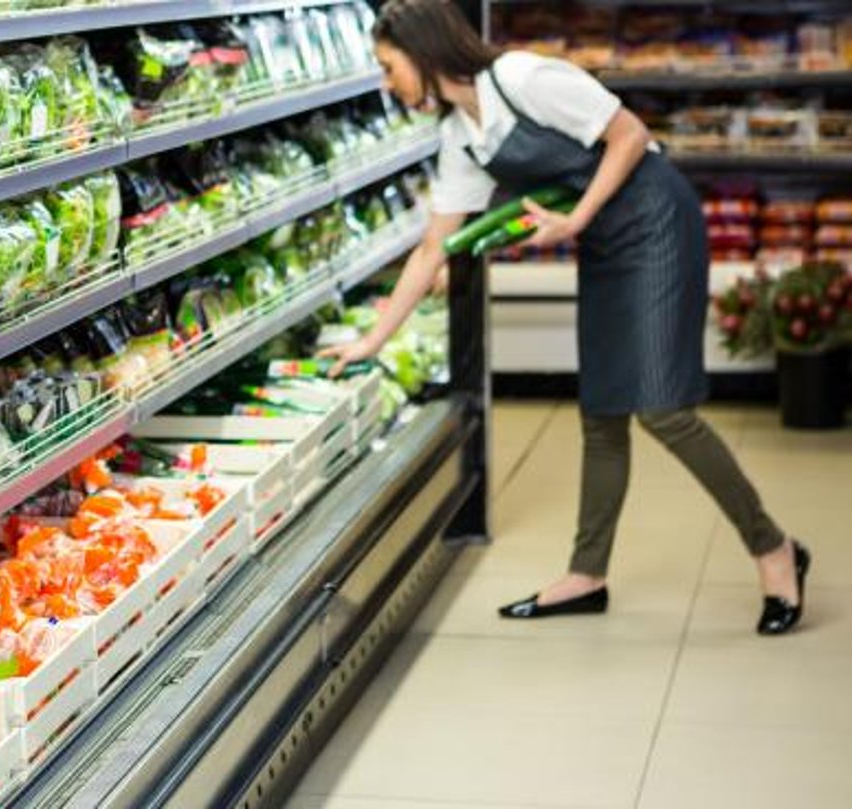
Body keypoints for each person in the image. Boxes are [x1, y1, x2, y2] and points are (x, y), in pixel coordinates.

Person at [318, 0, 810, 635]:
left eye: (389, 68)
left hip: (656, 223)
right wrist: (372, 338)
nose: (388, 84)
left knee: (663, 409)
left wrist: (575, 220)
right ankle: (587, 574)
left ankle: (774, 549)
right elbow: (433, 246)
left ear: (422, 50)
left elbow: (628, 134)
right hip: (604, 242)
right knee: (602, 409)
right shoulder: (460, 136)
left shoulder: (523, 78)